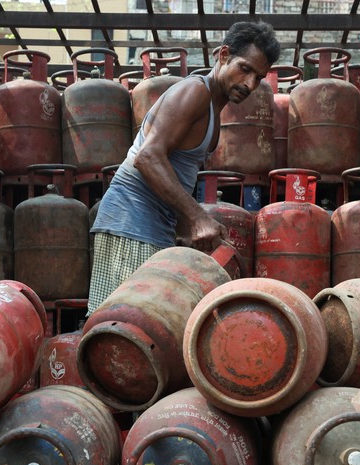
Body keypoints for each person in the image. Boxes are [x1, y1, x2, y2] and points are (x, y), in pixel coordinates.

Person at [87, 20, 281, 314]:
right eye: (245, 69)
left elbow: (177, 173)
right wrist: (198, 217)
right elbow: (147, 157)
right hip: (130, 222)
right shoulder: (195, 92)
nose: (250, 84)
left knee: (149, 332)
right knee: (121, 329)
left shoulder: (214, 108)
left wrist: (184, 232)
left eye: (259, 77)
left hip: (154, 227)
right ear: (224, 55)